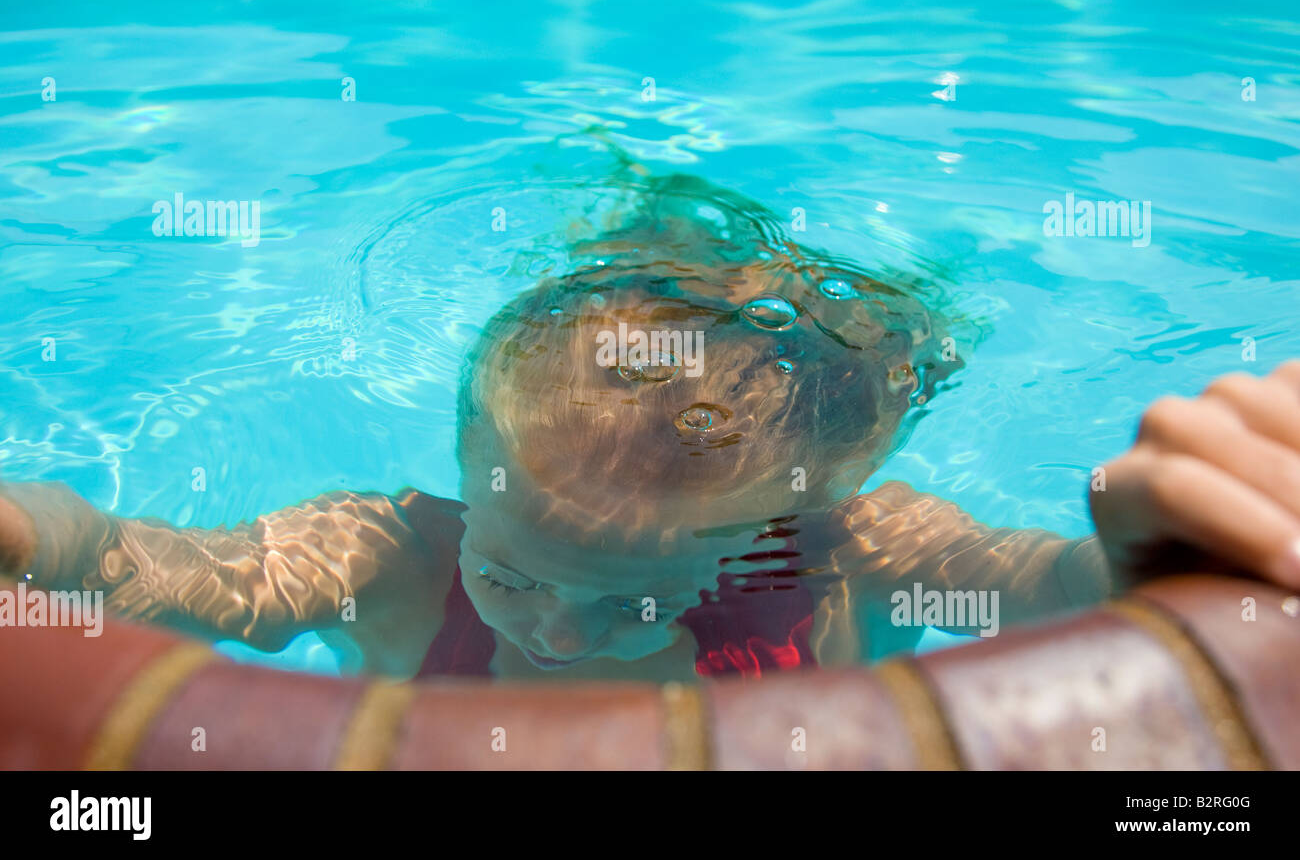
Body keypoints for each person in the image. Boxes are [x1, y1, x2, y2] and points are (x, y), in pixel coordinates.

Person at [3, 174, 1298, 681]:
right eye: (505, 566)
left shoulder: (849, 556)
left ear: (782, 525)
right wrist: (38, 541)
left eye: (632, 604)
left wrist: (1162, 572)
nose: (548, 623)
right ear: (467, 475)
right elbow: (148, 566)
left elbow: (1042, 588)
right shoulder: (394, 557)